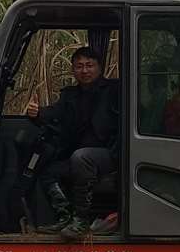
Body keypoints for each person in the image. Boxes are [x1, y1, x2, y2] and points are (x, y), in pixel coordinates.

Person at [27, 45, 120, 239]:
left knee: (81, 157)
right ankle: (64, 216)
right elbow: (55, 112)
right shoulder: (70, 95)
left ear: (99, 68)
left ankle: (81, 219)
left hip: (112, 153)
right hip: (83, 156)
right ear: (73, 70)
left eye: (89, 65)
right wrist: (38, 113)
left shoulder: (115, 90)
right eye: (79, 66)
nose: (84, 70)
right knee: (48, 171)